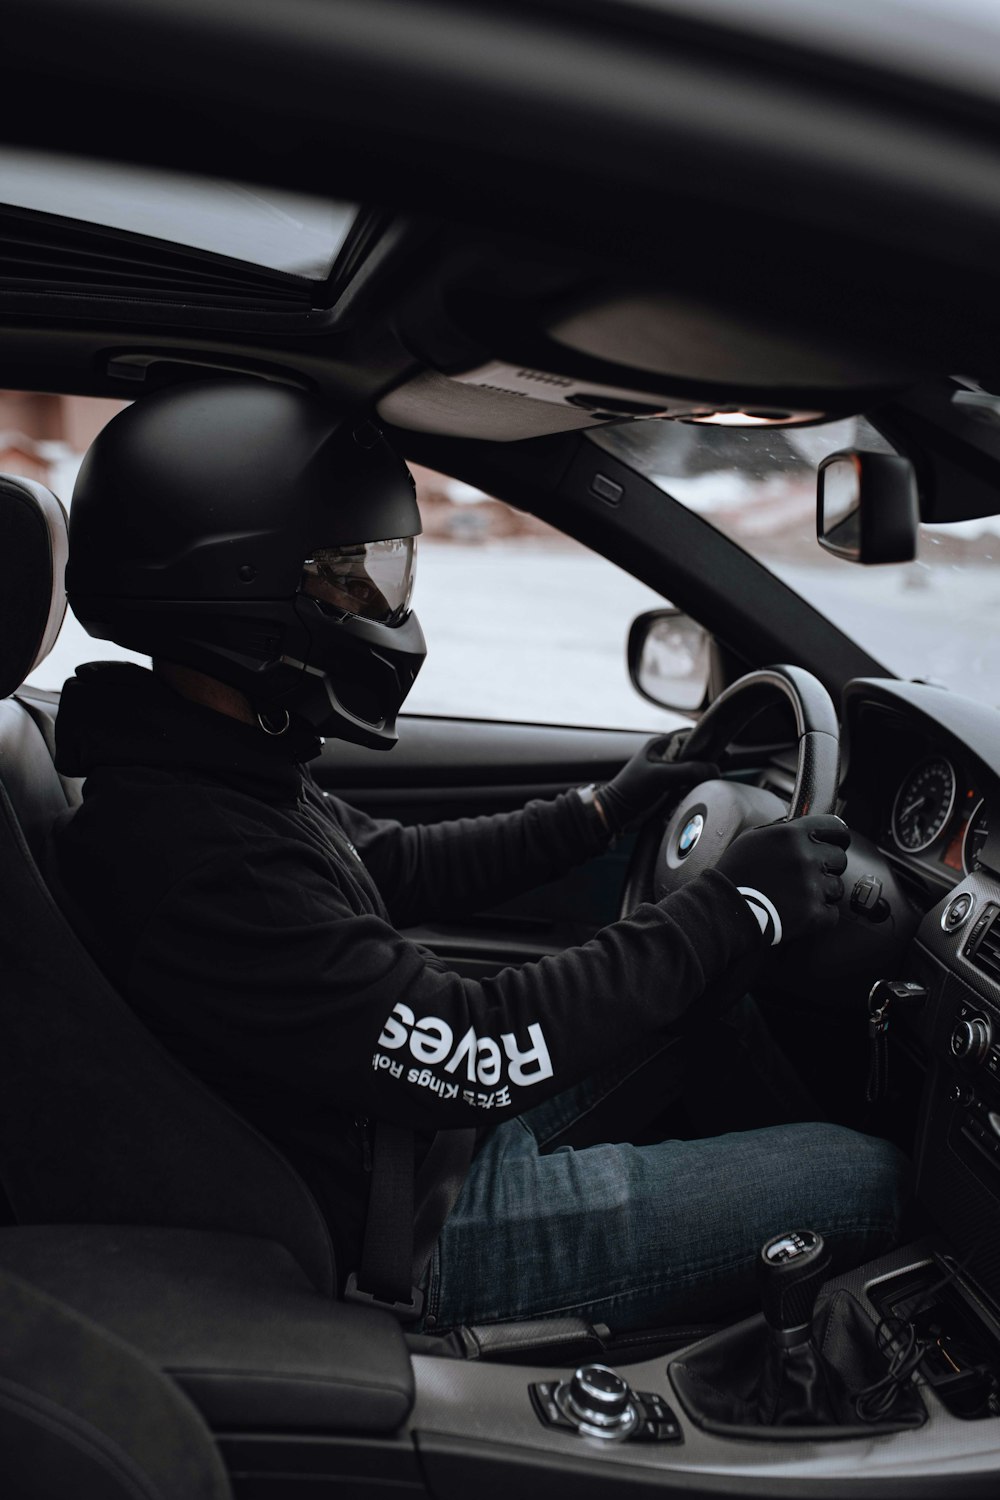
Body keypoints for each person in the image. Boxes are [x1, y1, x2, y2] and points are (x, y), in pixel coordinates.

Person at [50, 378, 907, 1334]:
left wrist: (602, 808)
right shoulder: (193, 856)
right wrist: (732, 908)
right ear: (245, 592)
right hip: (411, 1236)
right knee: (866, 1177)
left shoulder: (213, 769)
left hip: (408, 1143)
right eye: (353, 574)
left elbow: (400, 867)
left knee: (714, 1004)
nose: (384, 604)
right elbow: (473, 1045)